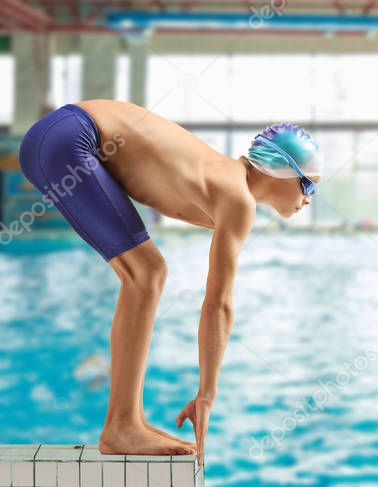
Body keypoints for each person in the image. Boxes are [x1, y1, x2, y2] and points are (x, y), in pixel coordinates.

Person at [18, 100, 321, 465]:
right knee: (147, 273)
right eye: (308, 185)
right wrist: (207, 395)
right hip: (70, 139)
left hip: (58, 136)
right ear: (280, 171)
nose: (308, 199)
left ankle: (130, 420)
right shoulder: (237, 198)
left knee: (148, 272)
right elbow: (218, 304)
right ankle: (122, 425)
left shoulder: (223, 181)